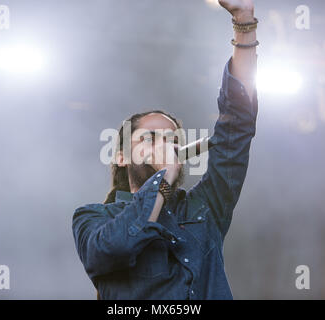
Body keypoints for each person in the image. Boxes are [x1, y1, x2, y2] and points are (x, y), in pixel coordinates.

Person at [72, 0, 259, 300]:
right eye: (150, 137)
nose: (165, 145)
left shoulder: (204, 208)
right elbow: (113, 249)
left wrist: (244, 21)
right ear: (121, 156)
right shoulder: (93, 217)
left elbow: (237, 129)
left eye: (172, 139)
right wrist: (162, 180)